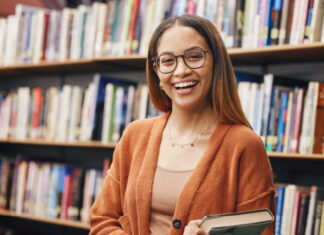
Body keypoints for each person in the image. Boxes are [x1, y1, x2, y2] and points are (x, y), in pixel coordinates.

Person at [89, 14, 275, 235]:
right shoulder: (135, 135)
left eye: (194, 57)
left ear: (216, 63)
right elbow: (102, 221)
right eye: (168, 61)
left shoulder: (244, 145)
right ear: (156, 71)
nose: (181, 71)